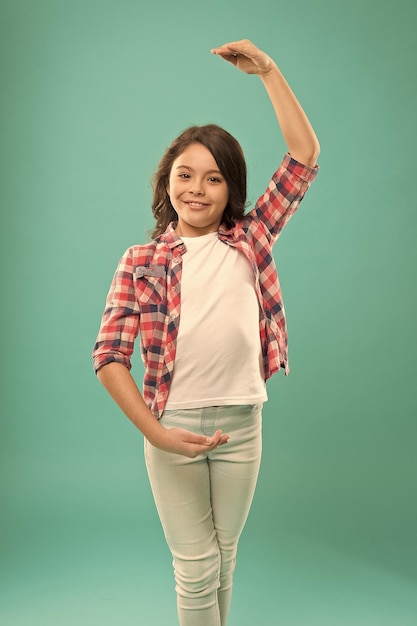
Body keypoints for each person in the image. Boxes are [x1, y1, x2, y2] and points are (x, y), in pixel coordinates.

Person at [92, 39, 319, 626]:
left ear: (231, 189)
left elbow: (303, 156)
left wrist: (268, 71)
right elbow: (110, 356)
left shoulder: (251, 239)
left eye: (213, 178)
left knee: (222, 558)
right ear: (167, 181)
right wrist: (157, 434)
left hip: (243, 422)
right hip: (172, 425)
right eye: (185, 174)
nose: (196, 188)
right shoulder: (140, 259)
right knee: (194, 566)